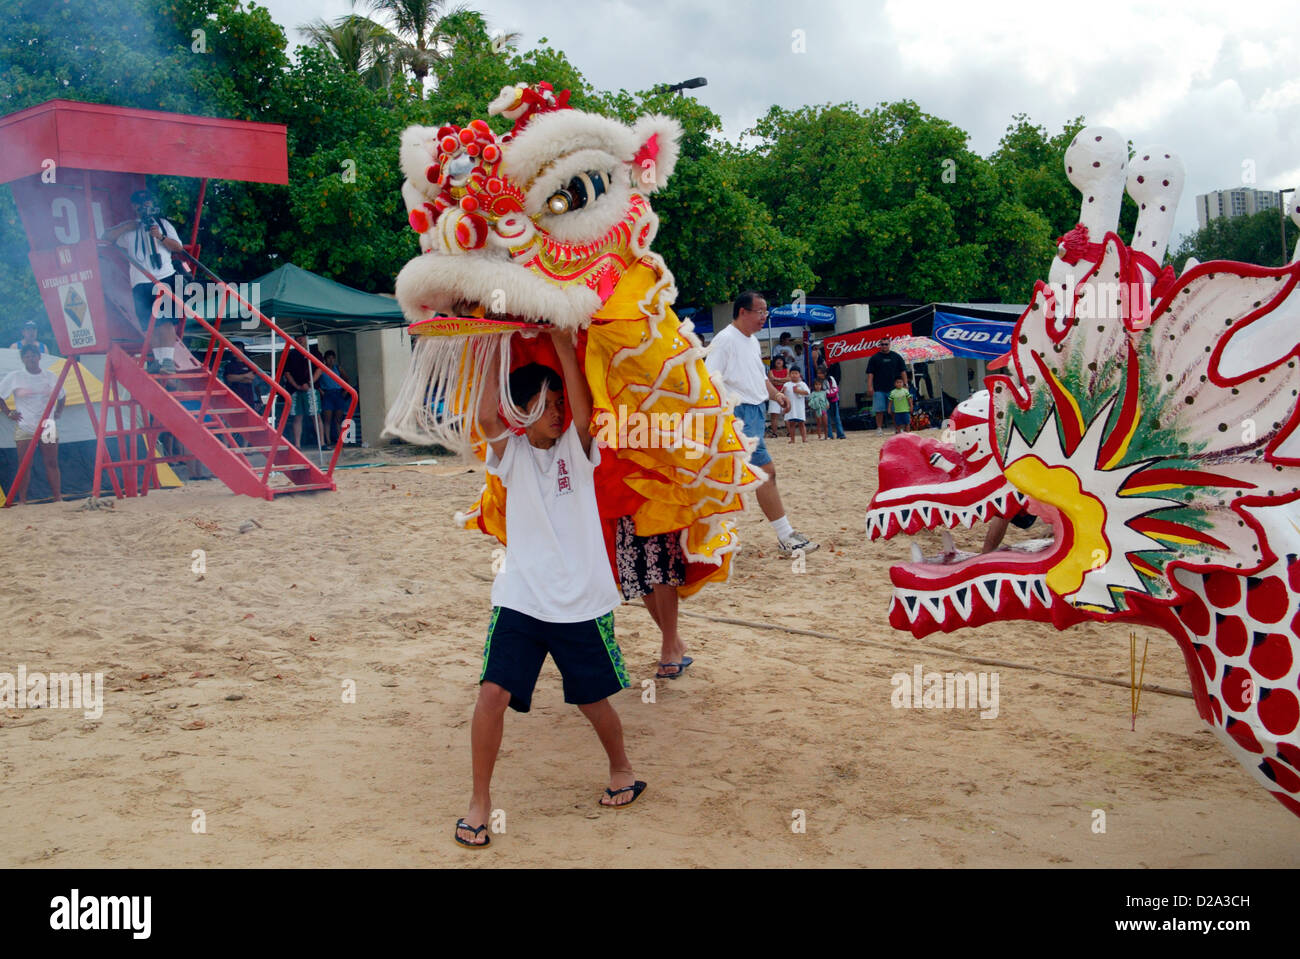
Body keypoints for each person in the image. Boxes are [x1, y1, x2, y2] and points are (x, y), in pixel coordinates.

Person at [456, 331, 641, 849]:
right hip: (521, 596)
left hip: (579, 598)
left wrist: (562, 340)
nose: (558, 411)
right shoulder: (510, 452)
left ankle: (621, 769)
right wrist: (490, 338)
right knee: (492, 694)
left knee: (592, 700)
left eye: (560, 401)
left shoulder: (578, 451)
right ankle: (479, 802)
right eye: (546, 403)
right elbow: (488, 415)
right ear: (523, 409)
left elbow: (584, 410)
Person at [704, 291, 818, 556]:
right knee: (752, 475)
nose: (764, 317)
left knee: (750, 476)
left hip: (754, 413)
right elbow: (709, 380)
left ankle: (782, 534)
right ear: (742, 312)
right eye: (760, 311)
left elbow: (760, 377)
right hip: (739, 415)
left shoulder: (752, 341)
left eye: (766, 311)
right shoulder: (725, 340)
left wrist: (776, 394)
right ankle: (783, 534)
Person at [104, 190, 187, 373]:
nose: (144, 206)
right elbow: (106, 237)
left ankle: (167, 360)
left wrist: (160, 237)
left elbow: (179, 247)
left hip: (164, 277)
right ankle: (158, 360)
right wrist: (127, 227)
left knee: (166, 321)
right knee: (152, 323)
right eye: (139, 204)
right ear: (134, 207)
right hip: (141, 281)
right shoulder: (129, 228)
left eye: (147, 202)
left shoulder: (163, 225)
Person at [616, 521, 692, 679]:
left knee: (661, 564)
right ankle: (674, 644)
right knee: (638, 569)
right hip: (625, 502)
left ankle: (670, 648)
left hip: (659, 501)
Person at [0, 344, 65, 503]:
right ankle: (23, 500)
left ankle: (58, 497)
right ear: (23, 359)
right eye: (27, 356)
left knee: (51, 462)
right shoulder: (15, 376)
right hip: (25, 425)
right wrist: (9, 413)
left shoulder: (50, 376)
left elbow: (62, 395)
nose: (31, 359)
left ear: (39, 357)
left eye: (33, 355)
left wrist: (58, 413)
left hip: (47, 425)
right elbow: (1, 395)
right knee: (24, 464)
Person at [278, 333, 314, 448]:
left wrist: (309, 383)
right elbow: (287, 373)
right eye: (298, 338)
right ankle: (297, 444)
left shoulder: (312, 353)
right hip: (294, 390)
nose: (300, 340)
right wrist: (297, 386)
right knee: (297, 417)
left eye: (302, 337)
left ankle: (323, 442)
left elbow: (318, 370)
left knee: (315, 415)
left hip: (310, 388)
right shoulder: (291, 355)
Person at [866, 338, 908, 432]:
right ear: (880, 345)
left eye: (886, 344)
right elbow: (870, 373)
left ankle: (897, 428)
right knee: (879, 410)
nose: (884, 346)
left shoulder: (896, 356)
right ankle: (879, 428)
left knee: (895, 410)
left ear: (889, 345)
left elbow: (903, 371)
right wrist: (869, 386)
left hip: (894, 389)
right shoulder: (874, 358)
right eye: (882, 344)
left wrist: (905, 384)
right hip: (879, 388)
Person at [318, 349, 350, 446]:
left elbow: (347, 378)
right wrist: (322, 392)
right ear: (325, 359)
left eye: (332, 358)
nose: (331, 360)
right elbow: (316, 382)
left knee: (338, 419)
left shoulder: (337, 368)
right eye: (329, 358)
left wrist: (345, 391)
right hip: (327, 393)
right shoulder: (322, 369)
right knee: (327, 419)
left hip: (338, 393)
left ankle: (340, 439)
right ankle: (327, 440)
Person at [783, 366, 810, 443]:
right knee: (791, 424)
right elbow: (782, 395)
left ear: (799, 375)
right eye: (792, 373)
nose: (794, 375)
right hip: (791, 407)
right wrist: (783, 391)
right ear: (789, 374)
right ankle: (792, 439)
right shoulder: (786, 384)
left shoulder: (802, 384)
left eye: (796, 373)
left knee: (801, 423)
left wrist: (798, 391)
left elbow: (807, 392)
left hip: (799, 407)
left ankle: (804, 439)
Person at [767, 354, 789, 438]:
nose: (779, 361)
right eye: (777, 360)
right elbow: (771, 381)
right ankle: (774, 433)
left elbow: (789, 379)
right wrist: (782, 381)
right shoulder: (771, 371)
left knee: (786, 414)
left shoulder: (787, 370)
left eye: (781, 360)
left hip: (785, 394)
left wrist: (777, 380)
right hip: (774, 395)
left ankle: (789, 432)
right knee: (774, 415)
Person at [824, 368, 846, 439]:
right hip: (824, 401)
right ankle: (829, 435)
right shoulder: (819, 381)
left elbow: (835, 389)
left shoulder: (831, 379)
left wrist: (826, 393)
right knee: (827, 419)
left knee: (836, 417)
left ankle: (840, 434)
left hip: (833, 400)